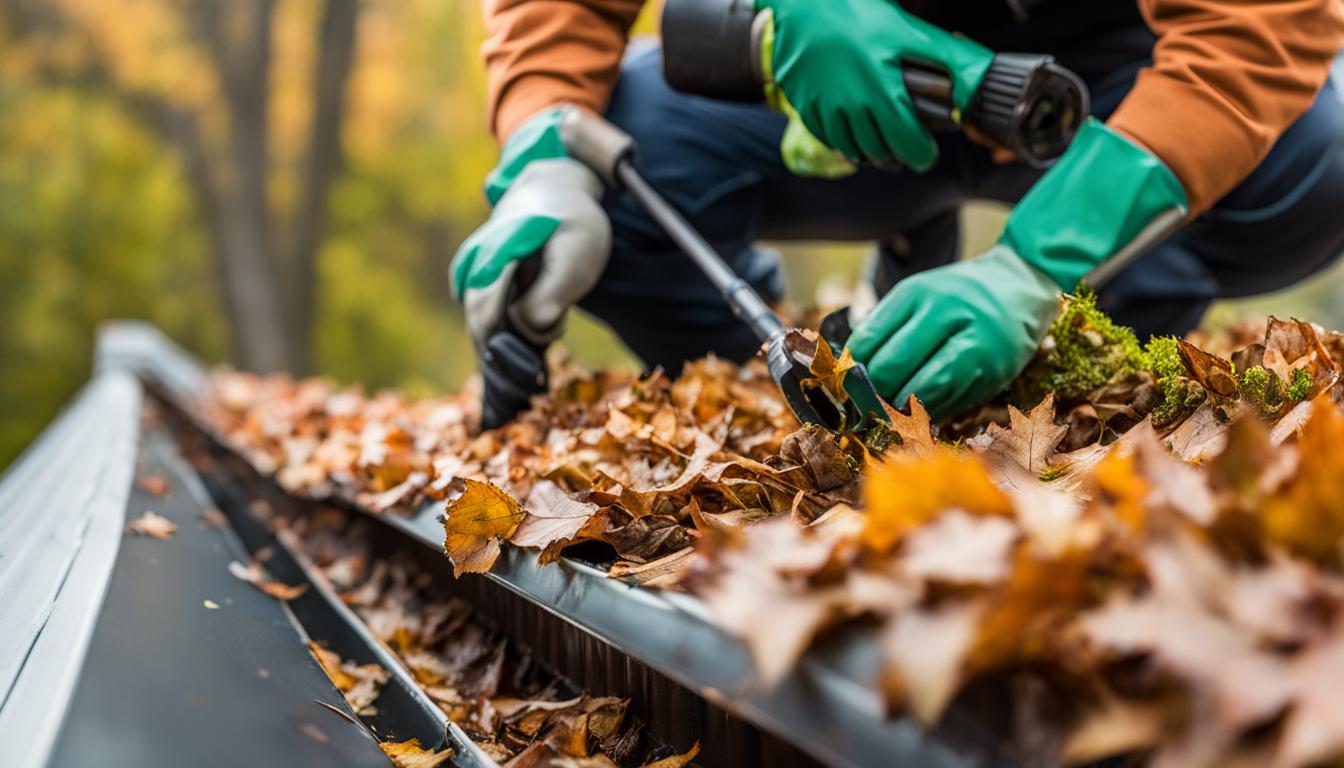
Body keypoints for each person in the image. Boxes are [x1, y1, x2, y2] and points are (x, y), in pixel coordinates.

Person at [451, 0, 1344, 420]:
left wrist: (1032, 267)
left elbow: (1254, 29)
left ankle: (1085, 353)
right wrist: (542, 150)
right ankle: (784, 386)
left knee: (1319, 158)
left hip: (1112, 90)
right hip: (845, 75)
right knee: (617, 156)